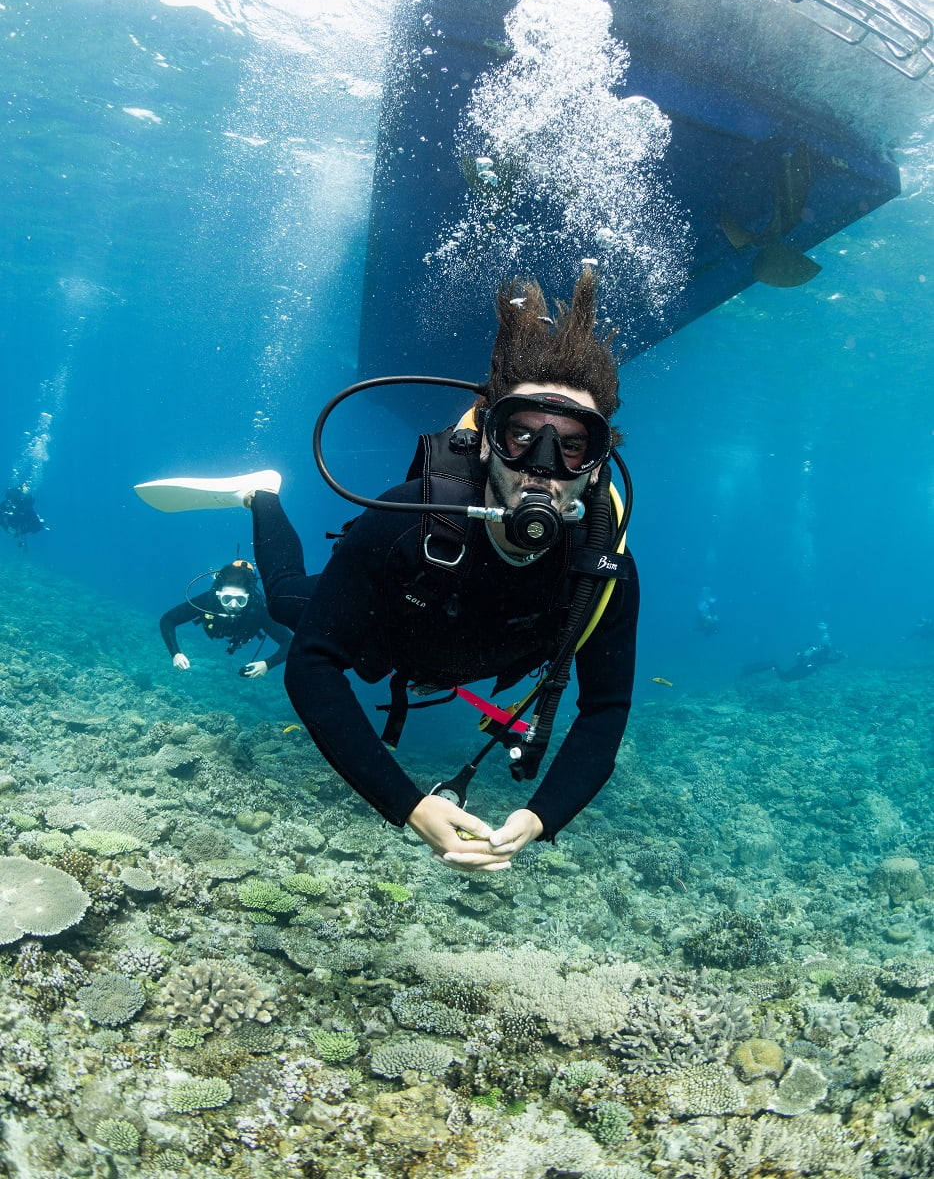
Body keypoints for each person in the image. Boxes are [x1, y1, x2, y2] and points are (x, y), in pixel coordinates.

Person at [137, 268, 639, 874]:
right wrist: (406, 804)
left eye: (571, 445)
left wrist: (542, 815)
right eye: (522, 436)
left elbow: (605, 708)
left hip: (474, 651)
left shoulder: (603, 569)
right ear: (486, 443)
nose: (542, 467)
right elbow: (313, 663)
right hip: (389, 624)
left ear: (596, 464)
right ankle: (261, 497)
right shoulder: (404, 519)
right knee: (286, 600)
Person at [159, 559, 292, 679]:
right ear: (219, 595)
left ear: (248, 597)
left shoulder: (257, 609)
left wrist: (268, 664)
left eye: (240, 600)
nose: (233, 606)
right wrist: (175, 653)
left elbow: (290, 641)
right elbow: (167, 619)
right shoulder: (208, 601)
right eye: (227, 599)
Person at [742, 621, 846, 682]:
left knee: (785, 677)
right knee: (785, 679)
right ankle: (771, 665)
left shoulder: (821, 655)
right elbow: (833, 661)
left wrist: (840, 656)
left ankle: (766, 666)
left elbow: (811, 654)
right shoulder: (823, 658)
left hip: (802, 667)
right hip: (803, 669)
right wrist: (841, 656)